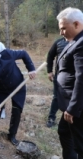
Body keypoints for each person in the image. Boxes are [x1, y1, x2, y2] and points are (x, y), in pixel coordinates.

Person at [0, 49, 36, 149]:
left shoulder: (6, 55)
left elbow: (24, 53)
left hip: (18, 86)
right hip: (1, 90)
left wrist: (31, 68)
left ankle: (11, 135)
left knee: (17, 112)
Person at [56, 7, 83, 159]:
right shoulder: (76, 41)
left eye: (63, 28)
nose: (61, 33)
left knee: (80, 145)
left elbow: (82, 78)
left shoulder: (81, 44)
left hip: (77, 107)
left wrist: (72, 108)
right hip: (71, 104)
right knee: (64, 132)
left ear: (77, 24)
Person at [46, 37, 68, 128]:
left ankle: (70, 120)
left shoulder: (80, 42)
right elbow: (50, 56)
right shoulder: (59, 42)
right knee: (56, 97)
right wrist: (49, 71)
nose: (62, 32)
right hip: (59, 77)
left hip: (76, 79)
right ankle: (51, 118)